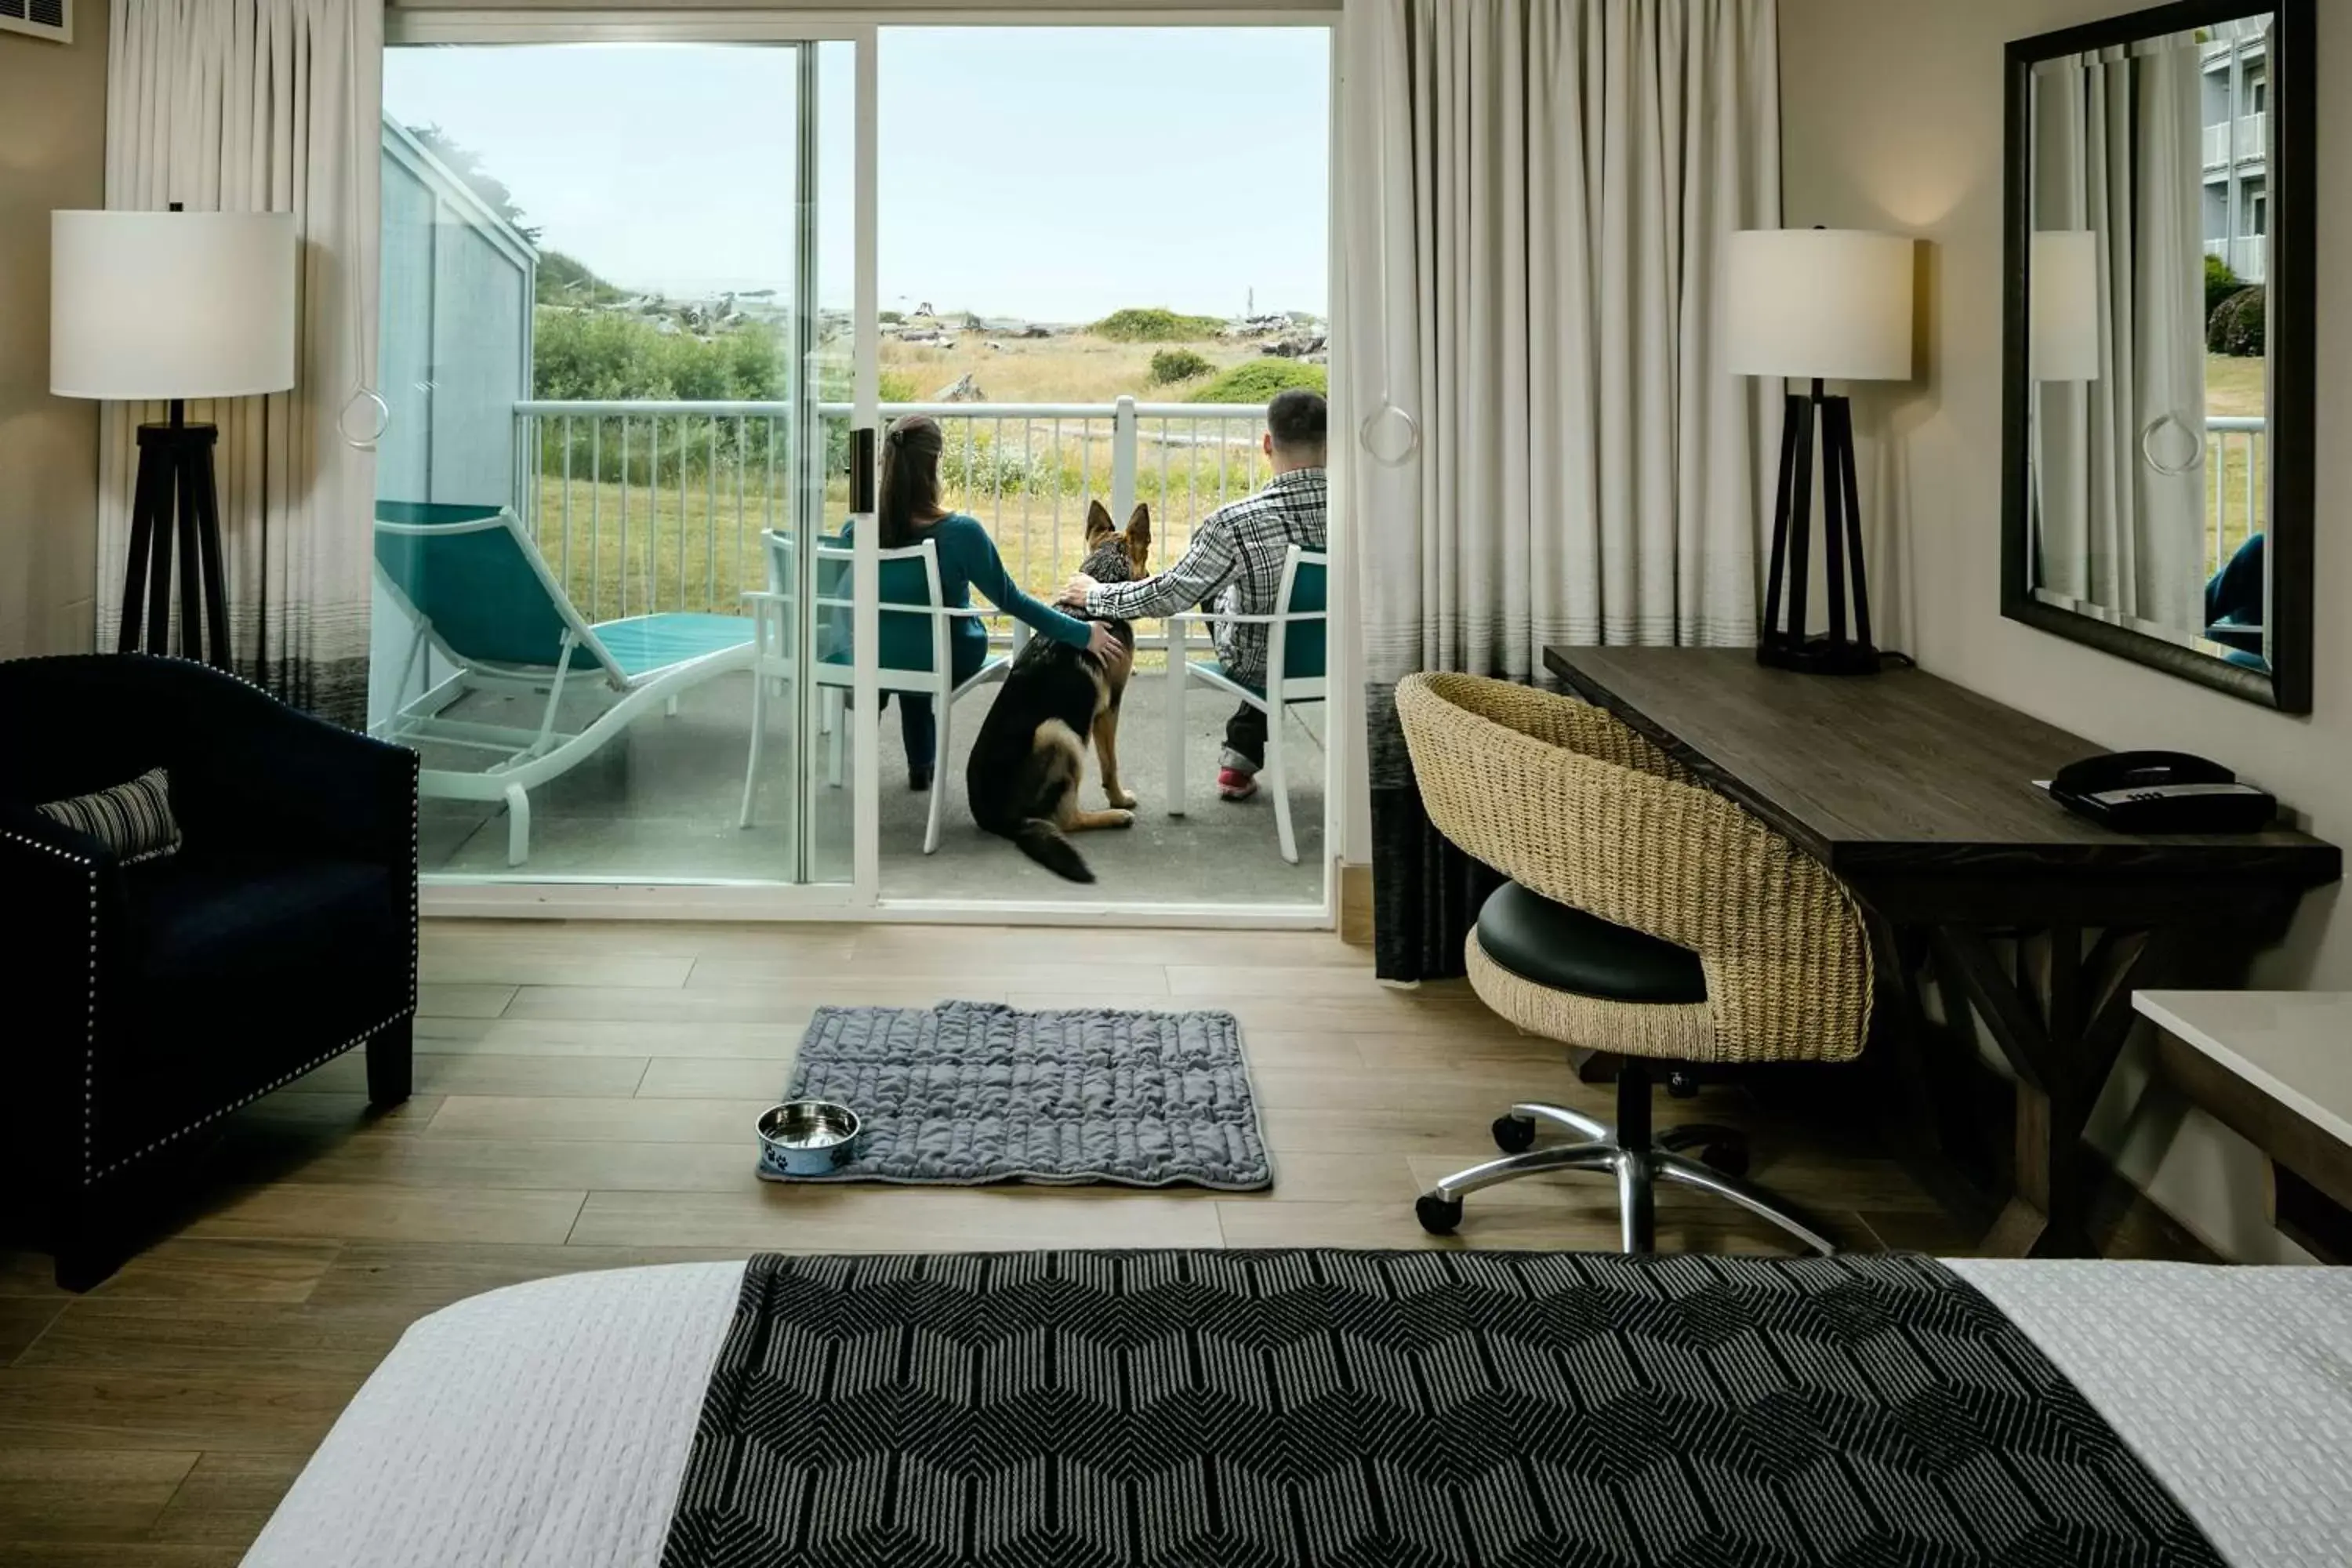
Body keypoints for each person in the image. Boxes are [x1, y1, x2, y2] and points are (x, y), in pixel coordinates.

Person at [1059, 387, 1327, 800]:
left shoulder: (1235, 523)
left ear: (1267, 444)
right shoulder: (1367, 512)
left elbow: (1170, 594)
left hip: (1260, 665)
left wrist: (1097, 596)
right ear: (1330, 443)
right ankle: (1240, 756)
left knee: (1218, 588)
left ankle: (1240, 756)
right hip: (1345, 662)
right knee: (1295, 608)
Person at [863, 414, 1126, 792]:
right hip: (947, 652)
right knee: (926, 642)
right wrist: (1082, 633)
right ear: (936, 463)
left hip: (881, 653)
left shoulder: (861, 529)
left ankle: (915, 753)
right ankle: (922, 765)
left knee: (903, 636)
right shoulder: (960, 533)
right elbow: (1010, 599)